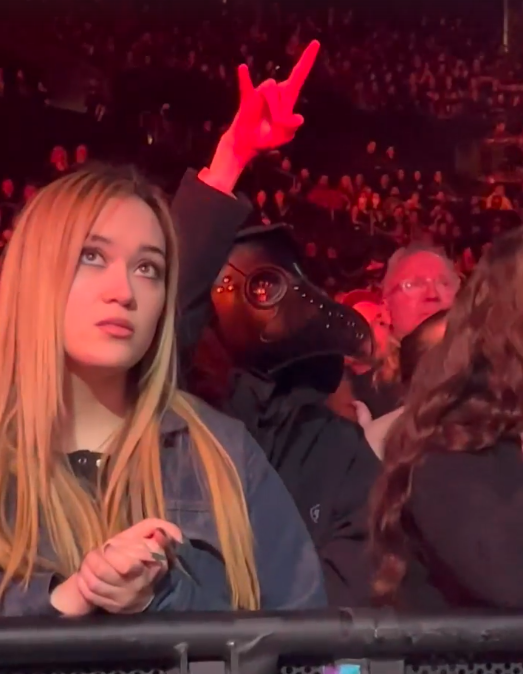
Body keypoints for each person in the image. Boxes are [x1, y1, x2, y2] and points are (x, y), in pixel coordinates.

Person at [0, 94, 326, 617]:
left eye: (148, 268)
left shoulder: (223, 453)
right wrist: (63, 601)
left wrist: (165, 598)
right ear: (33, 273)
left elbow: (309, 644)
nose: (123, 291)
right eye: (91, 256)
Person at [370, 228, 523, 609]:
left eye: (442, 282)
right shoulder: (448, 447)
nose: (431, 292)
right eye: (414, 284)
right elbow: (511, 577)